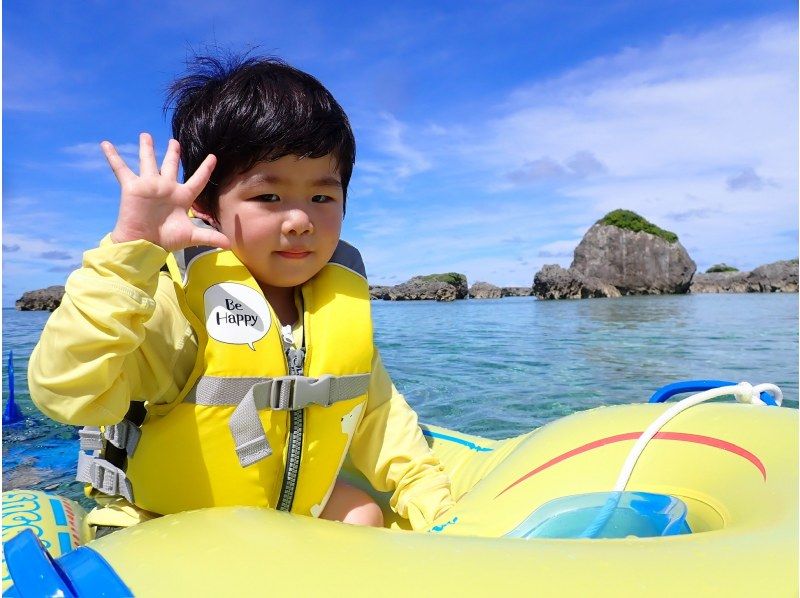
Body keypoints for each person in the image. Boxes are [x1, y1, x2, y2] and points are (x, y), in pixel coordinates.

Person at [28, 54, 454, 537]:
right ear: (205, 206)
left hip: (286, 513)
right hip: (169, 524)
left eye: (322, 196)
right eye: (268, 197)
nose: (300, 220)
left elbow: (382, 422)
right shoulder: (177, 310)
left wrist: (439, 512)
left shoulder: (335, 311)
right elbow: (65, 392)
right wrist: (128, 255)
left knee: (362, 513)